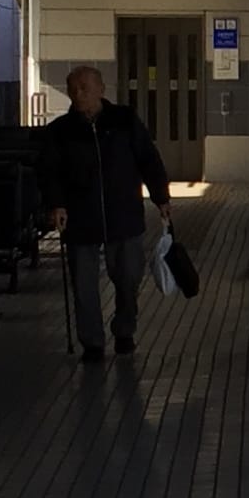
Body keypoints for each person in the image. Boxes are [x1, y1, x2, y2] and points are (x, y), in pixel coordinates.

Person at [39, 64, 173, 357]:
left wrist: (160, 196)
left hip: (123, 213)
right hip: (80, 217)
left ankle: (124, 329)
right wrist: (56, 204)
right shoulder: (59, 132)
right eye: (73, 89)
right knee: (84, 285)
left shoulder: (124, 121)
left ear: (101, 89)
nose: (78, 94)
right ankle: (92, 343)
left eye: (84, 88)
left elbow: (148, 158)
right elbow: (51, 172)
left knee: (128, 278)